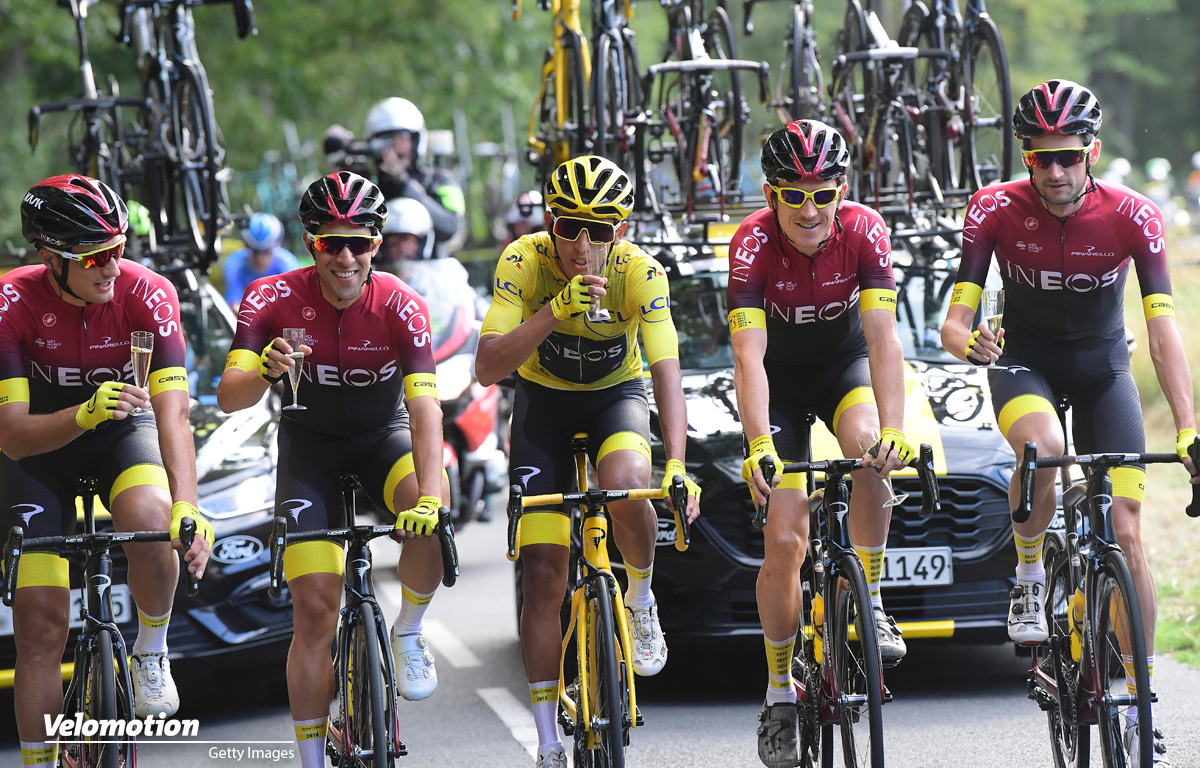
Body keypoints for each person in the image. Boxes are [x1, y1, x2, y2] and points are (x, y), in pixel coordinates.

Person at [940, 79, 1197, 767]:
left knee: (1129, 532)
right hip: (1024, 365)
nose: (1054, 171)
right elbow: (955, 320)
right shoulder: (993, 209)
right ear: (1026, 157)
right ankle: (1029, 573)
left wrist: (1187, 426)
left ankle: (1142, 705)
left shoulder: (1134, 215)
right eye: (1040, 157)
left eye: (1068, 157)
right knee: (1044, 448)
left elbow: (1164, 330)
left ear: (1093, 152)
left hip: (1105, 370)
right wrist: (966, 340)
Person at [216, 171, 451, 768]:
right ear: (308, 242)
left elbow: (425, 408)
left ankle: (408, 631)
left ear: (378, 243)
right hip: (309, 452)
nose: (344, 256)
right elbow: (228, 396)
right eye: (329, 242)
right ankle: (312, 759)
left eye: (359, 243)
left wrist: (428, 497)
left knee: (433, 505)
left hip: (383, 438)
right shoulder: (270, 299)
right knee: (315, 610)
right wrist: (263, 371)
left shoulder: (401, 303)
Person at [475, 155, 701, 768]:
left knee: (629, 485)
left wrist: (676, 464)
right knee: (545, 575)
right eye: (569, 226)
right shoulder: (524, 261)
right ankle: (548, 736)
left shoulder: (640, 273)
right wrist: (553, 313)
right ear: (550, 222)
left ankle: (642, 596)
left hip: (615, 399)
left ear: (619, 233)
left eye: (599, 230)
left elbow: (665, 372)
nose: (582, 244)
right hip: (542, 407)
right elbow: (487, 366)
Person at [2, 174, 213, 767]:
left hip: (123, 432)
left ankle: (151, 649)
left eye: (118, 250)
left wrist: (188, 505)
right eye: (95, 256)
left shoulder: (149, 294)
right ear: (50, 259)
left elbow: (173, 413)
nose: (112, 267)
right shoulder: (11, 302)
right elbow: (11, 435)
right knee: (40, 631)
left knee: (151, 519)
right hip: (38, 451)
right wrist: (83, 411)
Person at [725, 120, 915, 768]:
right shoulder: (750, 244)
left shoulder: (864, 230)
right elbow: (748, 358)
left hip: (843, 369)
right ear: (772, 194)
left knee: (869, 448)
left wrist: (893, 428)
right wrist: (757, 445)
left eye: (822, 194)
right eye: (793, 194)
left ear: (842, 190)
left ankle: (873, 600)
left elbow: (884, 338)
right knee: (784, 539)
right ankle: (780, 692)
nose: (809, 209)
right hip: (777, 384)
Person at [362, 97, 464, 259]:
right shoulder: (366, 190)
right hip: (379, 277)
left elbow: (449, 227)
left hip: (431, 277)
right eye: (386, 138)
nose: (395, 145)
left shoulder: (441, 180)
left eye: (402, 136)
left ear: (415, 140)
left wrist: (404, 182)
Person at [222, 212, 300, 310]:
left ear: (276, 247)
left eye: (266, 252)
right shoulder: (234, 263)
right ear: (246, 247)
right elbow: (234, 304)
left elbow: (292, 306)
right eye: (255, 252)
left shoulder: (287, 264)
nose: (260, 259)